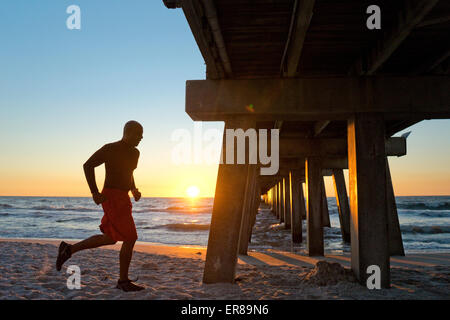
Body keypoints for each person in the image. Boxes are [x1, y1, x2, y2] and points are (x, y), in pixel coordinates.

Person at [56, 120, 145, 292]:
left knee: (110, 238)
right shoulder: (110, 148)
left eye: (142, 134)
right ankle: (123, 281)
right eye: (137, 134)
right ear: (127, 132)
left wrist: (133, 189)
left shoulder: (135, 153)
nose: (141, 137)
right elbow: (87, 165)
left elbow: (130, 173)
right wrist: (94, 192)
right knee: (131, 237)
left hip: (123, 198)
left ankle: (69, 249)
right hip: (111, 196)